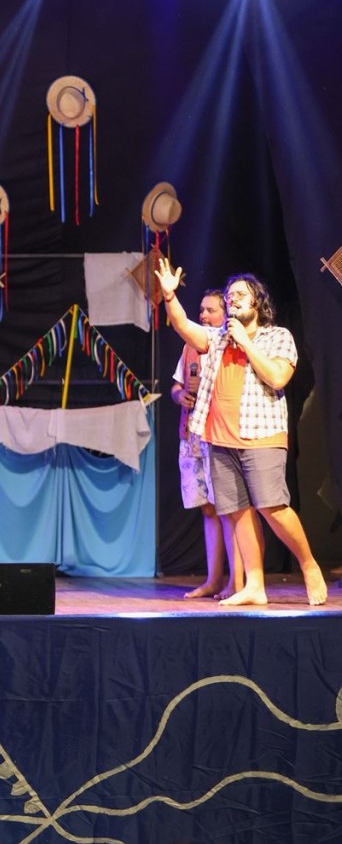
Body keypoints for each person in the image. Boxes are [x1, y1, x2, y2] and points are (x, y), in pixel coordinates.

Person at [155, 258, 328, 606]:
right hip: (218, 438)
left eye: (240, 295)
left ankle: (309, 565)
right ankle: (254, 585)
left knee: (272, 507)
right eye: (230, 294)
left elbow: (278, 378)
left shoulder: (277, 336)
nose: (232, 299)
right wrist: (170, 298)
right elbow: (184, 327)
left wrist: (246, 344)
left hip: (261, 435)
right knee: (237, 512)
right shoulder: (217, 338)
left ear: (257, 302)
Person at [170, 289, 249, 600]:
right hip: (191, 434)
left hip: (217, 434)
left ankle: (238, 583)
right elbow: (177, 385)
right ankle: (214, 579)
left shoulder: (228, 345)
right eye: (201, 310)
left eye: (210, 310)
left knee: (230, 508)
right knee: (208, 508)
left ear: (225, 314)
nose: (203, 315)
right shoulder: (191, 345)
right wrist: (180, 395)